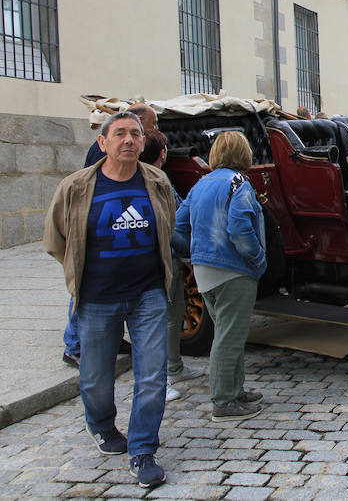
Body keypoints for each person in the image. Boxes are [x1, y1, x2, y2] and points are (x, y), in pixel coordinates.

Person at [44, 112, 174, 488]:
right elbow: (56, 240)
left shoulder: (157, 182)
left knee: (152, 375)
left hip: (148, 294)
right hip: (97, 297)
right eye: (120, 134)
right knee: (96, 376)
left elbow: (169, 225)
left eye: (135, 134)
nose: (129, 140)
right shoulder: (77, 186)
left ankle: (143, 450)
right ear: (103, 143)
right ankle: (101, 425)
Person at [173, 131, 266, 422]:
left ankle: (234, 391)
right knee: (229, 337)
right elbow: (240, 228)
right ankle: (224, 401)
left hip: (205, 270)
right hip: (233, 269)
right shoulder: (239, 184)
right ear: (244, 154)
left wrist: (194, 253)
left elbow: (179, 225)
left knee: (228, 334)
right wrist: (258, 257)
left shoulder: (201, 184)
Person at [64, 103, 161, 367]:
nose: (153, 130)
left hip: (137, 274)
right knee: (85, 288)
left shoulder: (153, 178)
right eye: (151, 124)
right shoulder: (99, 159)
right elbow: (60, 235)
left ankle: (111, 338)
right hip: (102, 236)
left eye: (141, 132)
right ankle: (74, 345)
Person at [138, 131, 205, 401]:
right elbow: (168, 221)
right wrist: (189, 248)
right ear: (162, 153)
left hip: (168, 255)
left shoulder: (156, 177)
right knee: (160, 318)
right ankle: (159, 378)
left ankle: (174, 366)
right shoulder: (153, 179)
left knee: (174, 311)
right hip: (160, 256)